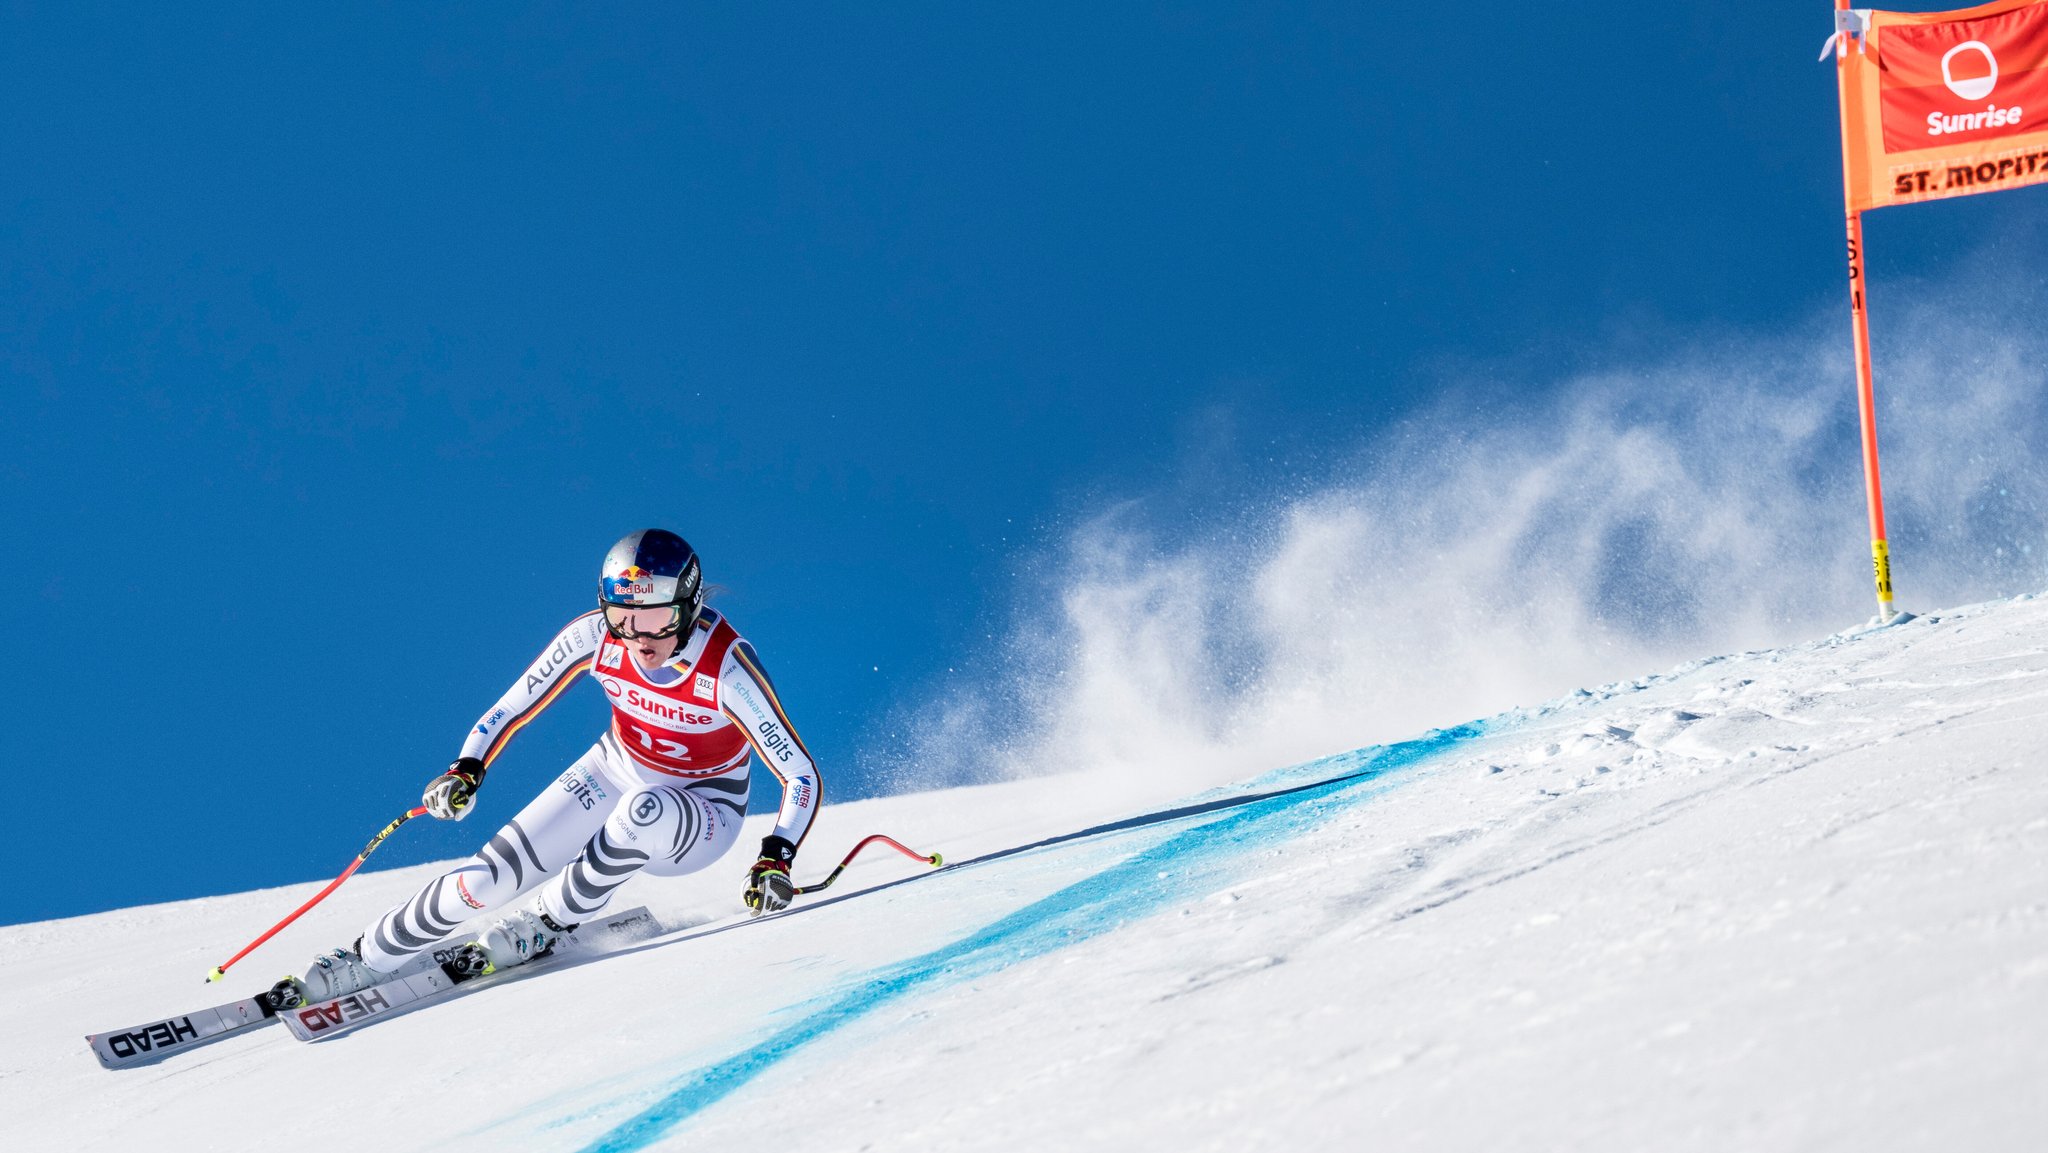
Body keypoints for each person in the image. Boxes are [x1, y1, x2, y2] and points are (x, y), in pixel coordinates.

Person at [288, 528, 822, 1001]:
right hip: (613, 768)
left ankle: (547, 922)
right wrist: (467, 768)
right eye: (624, 616)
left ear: (688, 605)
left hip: (705, 813)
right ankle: (365, 958)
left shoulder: (724, 668)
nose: (639, 637)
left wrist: (775, 857)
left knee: (644, 809)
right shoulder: (595, 638)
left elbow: (799, 773)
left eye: (657, 617)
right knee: (483, 881)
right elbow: (511, 707)